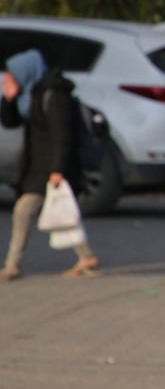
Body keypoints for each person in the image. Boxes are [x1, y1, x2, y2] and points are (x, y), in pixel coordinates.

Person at [1, 49, 100, 280]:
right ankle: (86, 256)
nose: (9, 79)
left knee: (24, 211)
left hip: (52, 167)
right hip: (38, 167)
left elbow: (62, 134)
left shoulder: (54, 95)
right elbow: (11, 121)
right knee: (61, 213)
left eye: (12, 75)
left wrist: (58, 170)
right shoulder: (30, 94)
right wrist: (8, 99)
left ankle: (12, 265)